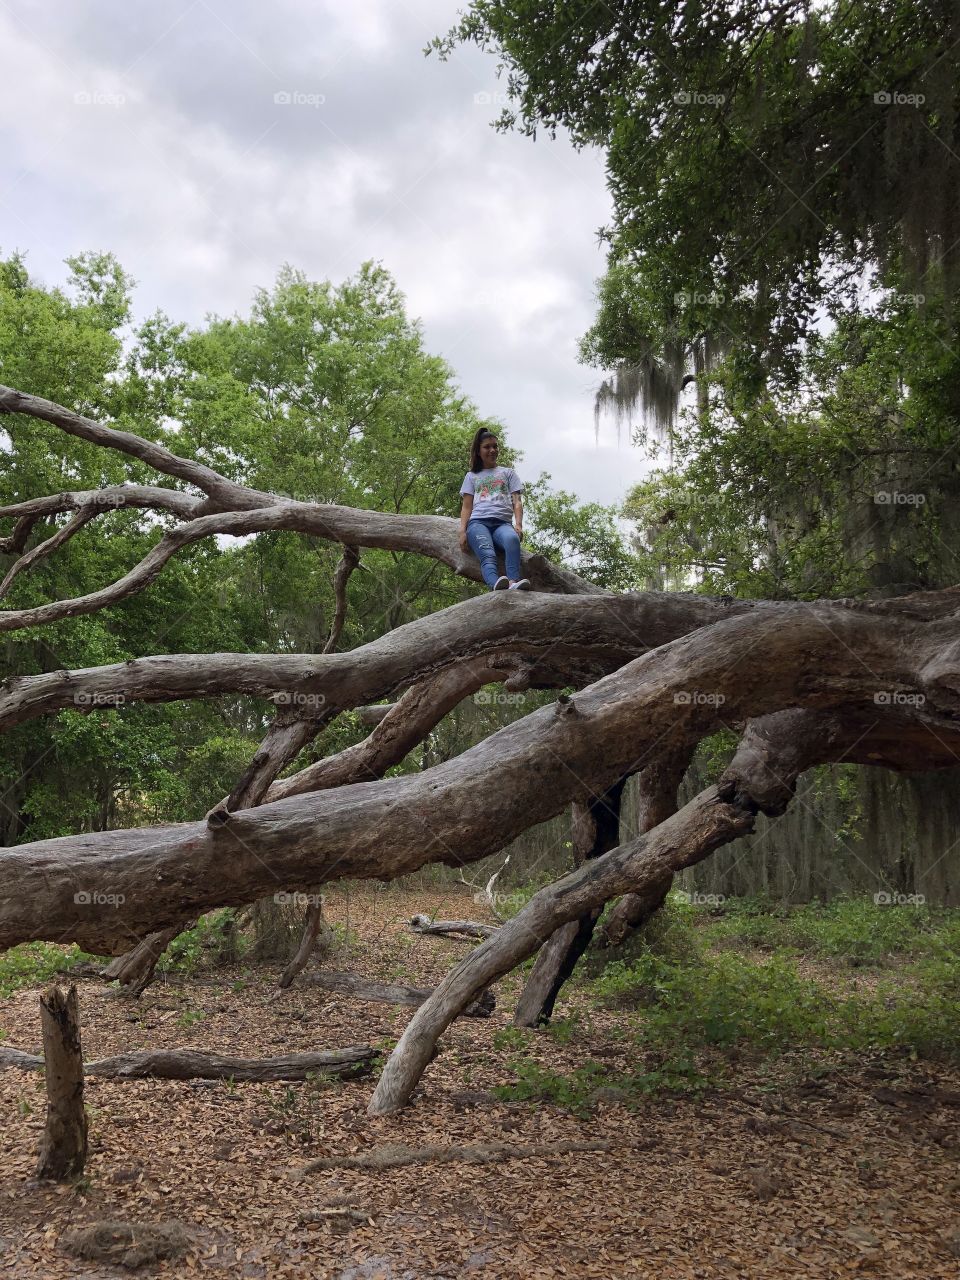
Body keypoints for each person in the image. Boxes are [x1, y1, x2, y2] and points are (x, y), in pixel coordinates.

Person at [458, 428, 531, 591]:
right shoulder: (471, 476)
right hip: (478, 523)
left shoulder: (508, 473)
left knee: (512, 540)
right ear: (478, 451)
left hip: (502, 524)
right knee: (488, 554)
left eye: (495, 446)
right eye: (487, 447)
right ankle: (496, 585)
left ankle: (513, 582)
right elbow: (467, 506)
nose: (492, 450)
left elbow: (517, 501)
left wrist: (518, 525)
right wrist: (462, 531)